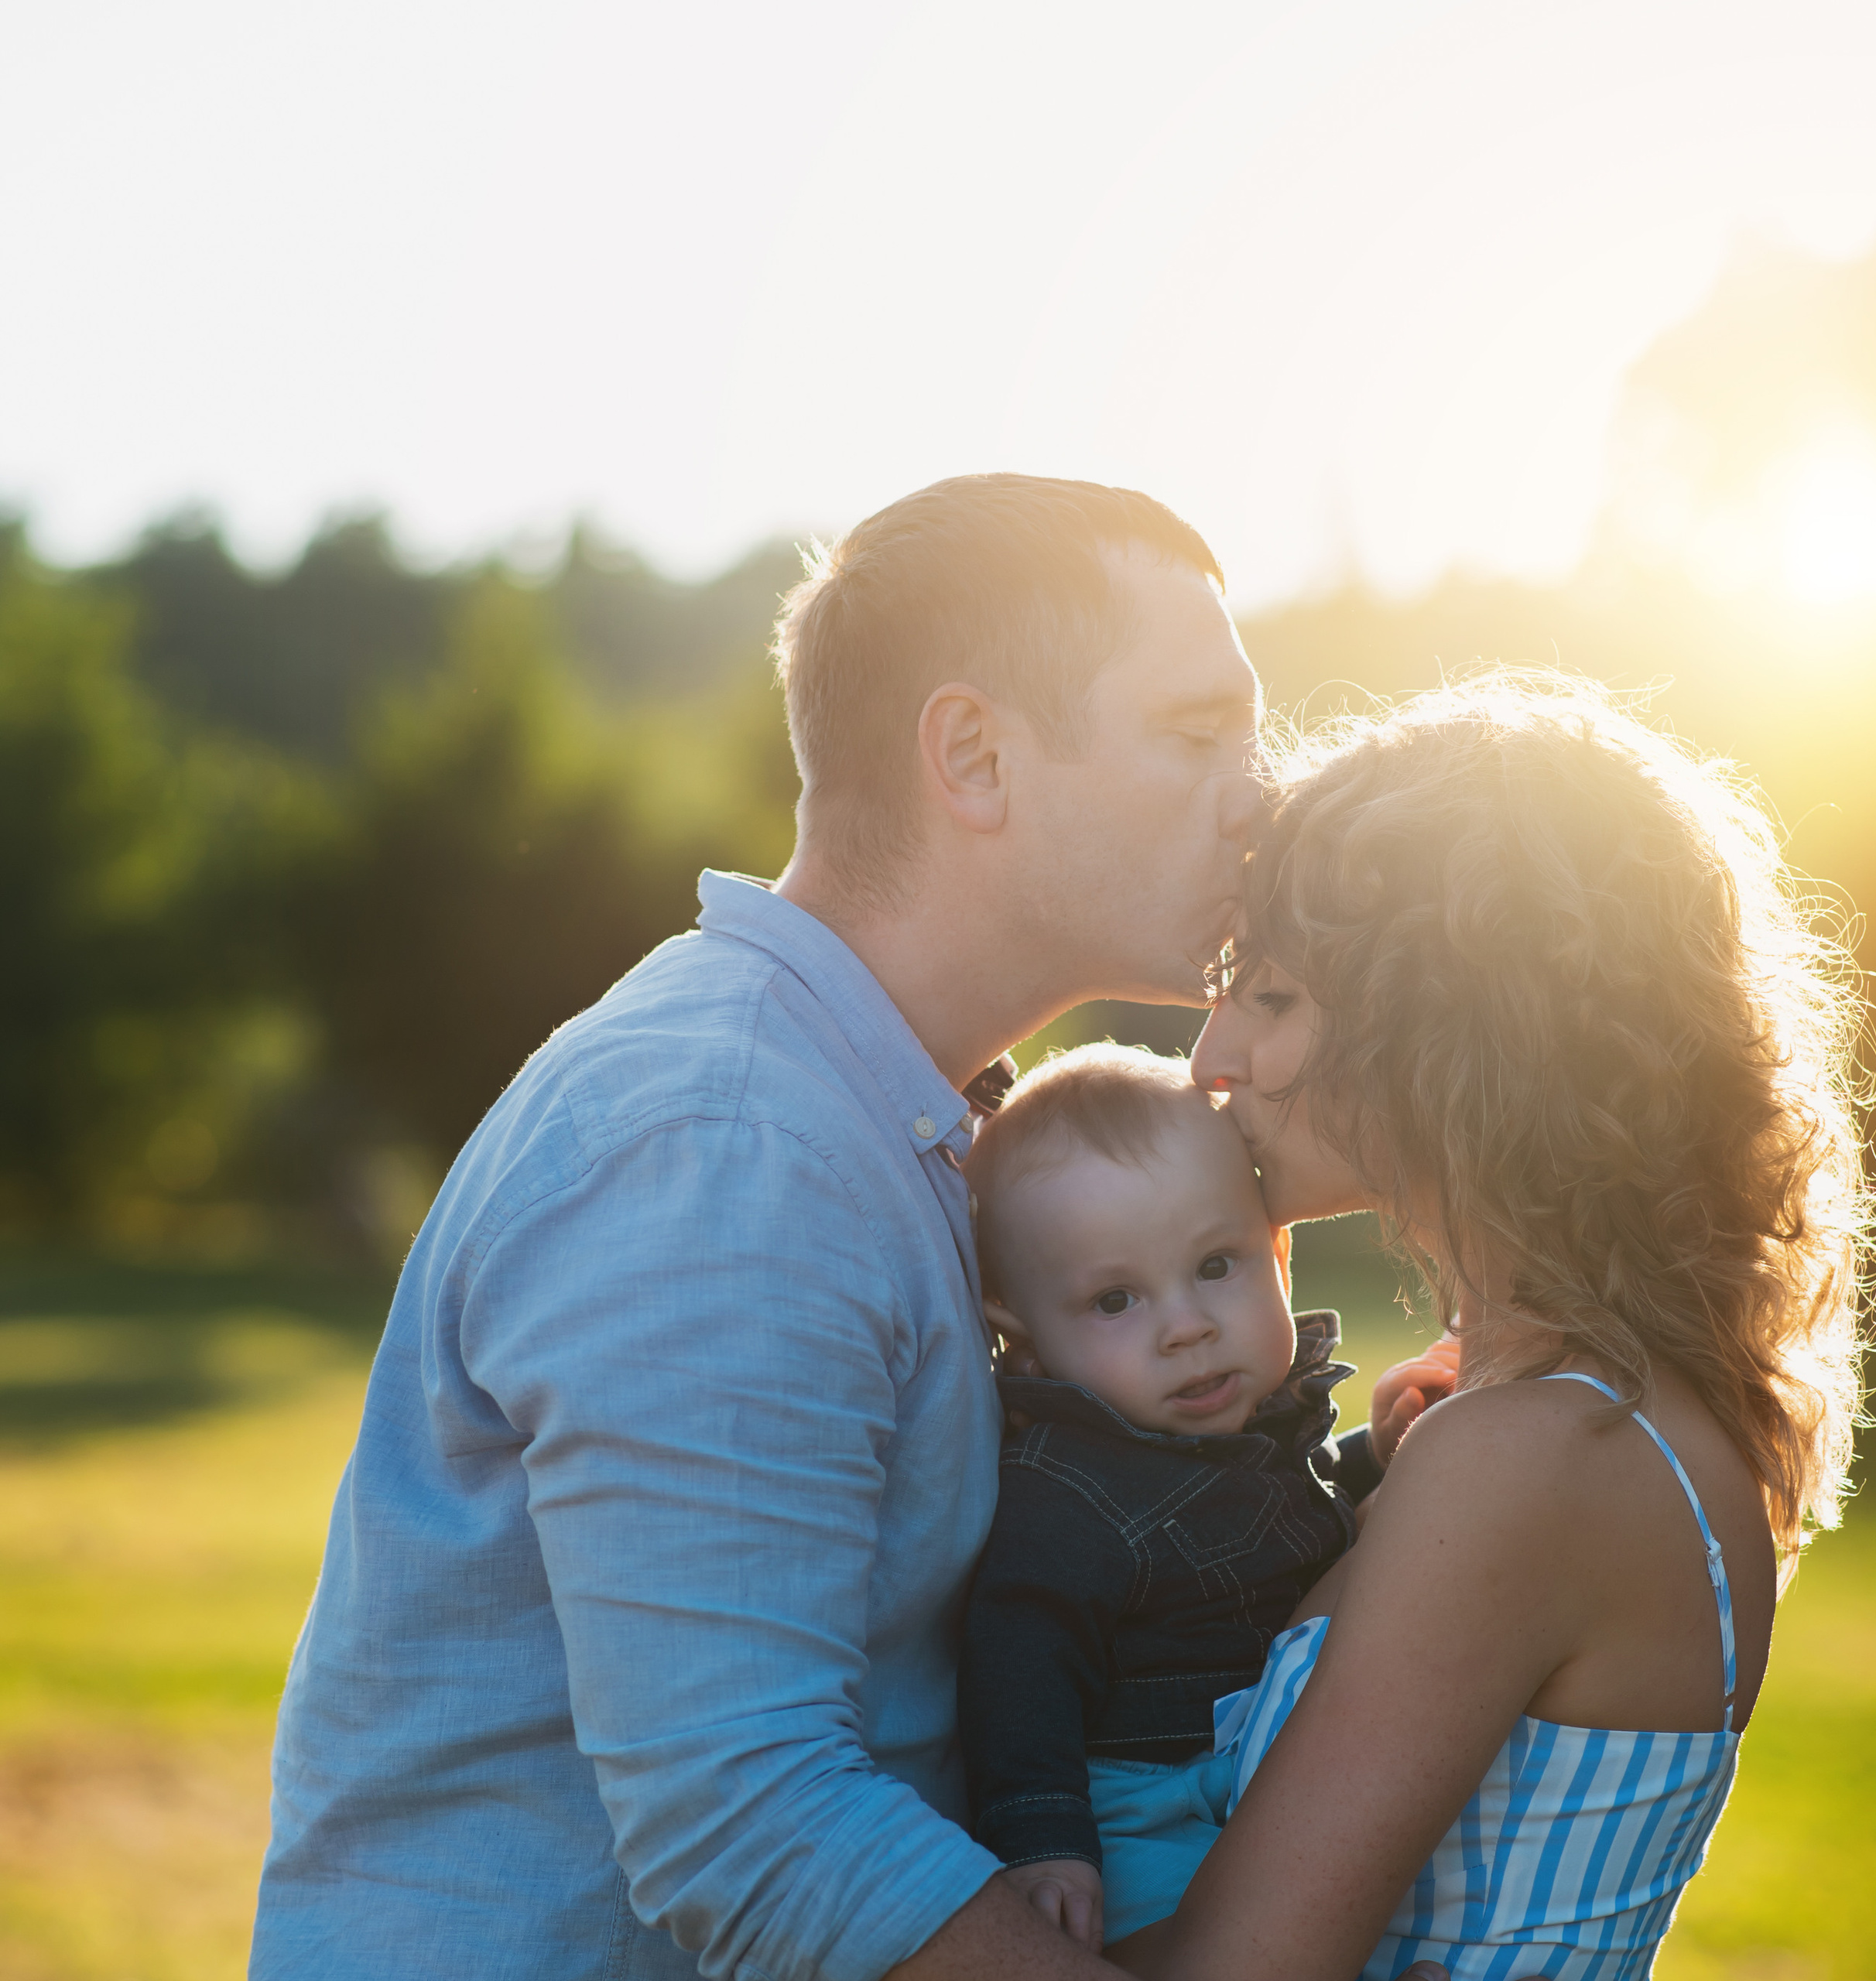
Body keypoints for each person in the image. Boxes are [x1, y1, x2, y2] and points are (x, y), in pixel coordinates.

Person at [248, 474, 1283, 1981]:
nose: (1258, 791)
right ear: (974, 755)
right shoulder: (727, 1141)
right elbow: (748, 1817)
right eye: (1199, 734)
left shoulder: (891, 1117)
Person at [1112, 672, 1876, 1979]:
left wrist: (846, 1888)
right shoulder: (1576, 1412)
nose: (1209, 1058)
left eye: (1274, 996)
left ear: (1457, 1023)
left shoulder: (1534, 1453)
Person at [954, 1045, 1454, 1949]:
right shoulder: (1069, 1495)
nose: (1186, 1326)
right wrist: (1042, 1838)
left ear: (1279, 1258)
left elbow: (1285, 1531)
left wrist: (1374, 1456)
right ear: (1023, 1344)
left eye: (1217, 1266)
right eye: (1115, 1300)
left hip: (1264, 1788)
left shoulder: (1246, 1427)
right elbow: (1017, 1668)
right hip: (1144, 1812)